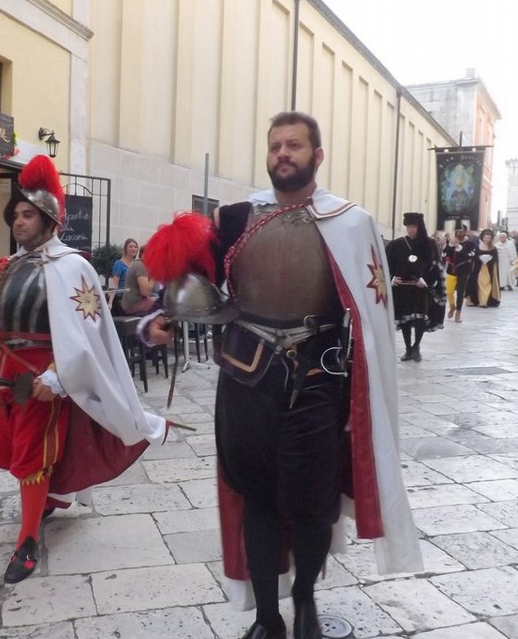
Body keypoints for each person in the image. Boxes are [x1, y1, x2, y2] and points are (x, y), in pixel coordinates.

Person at [143, 111, 421, 639]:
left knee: (313, 505)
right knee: (257, 495)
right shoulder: (237, 219)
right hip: (247, 379)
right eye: (274, 146)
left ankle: (307, 601)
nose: (281, 155)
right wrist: (160, 320)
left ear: (317, 156)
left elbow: (370, 312)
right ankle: (269, 618)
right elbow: (191, 286)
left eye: (293, 146)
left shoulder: (350, 222)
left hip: (318, 379)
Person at [0, 155, 168, 584]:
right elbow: (0, 312)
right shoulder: (10, 267)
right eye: (16, 215)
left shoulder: (73, 267)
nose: (18, 222)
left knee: (29, 458)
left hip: (41, 380)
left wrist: (60, 377)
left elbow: (87, 331)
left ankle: (26, 542)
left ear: (50, 221)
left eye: (28, 215)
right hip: (1, 373)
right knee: (4, 452)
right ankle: (48, 499)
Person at [386, 212, 445, 362]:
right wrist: (392, 278)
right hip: (403, 289)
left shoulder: (429, 244)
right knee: (405, 320)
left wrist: (425, 281)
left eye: (413, 227)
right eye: (408, 227)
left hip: (421, 289)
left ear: (419, 227)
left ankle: (416, 347)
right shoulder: (396, 244)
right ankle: (407, 349)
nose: (411, 230)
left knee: (420, 318)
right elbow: (387, 264)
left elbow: (436, 266)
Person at [443, 228, 475, 322]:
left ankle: (458, 313)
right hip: (451, 270)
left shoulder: (470, 244)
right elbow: (444, 254)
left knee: (460, 292)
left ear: (465, 232)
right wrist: (449, 245)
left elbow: (470, 255)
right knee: (449, 292)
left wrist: (458, 247)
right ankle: (452, 306)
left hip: (464, 271)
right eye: (457, 232)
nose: (459, 234)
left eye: (461, 232)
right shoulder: (451, 242)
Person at [466, 229, 501, 308]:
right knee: (480, 283)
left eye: (488, 237)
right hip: (479, 269)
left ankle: (485, 301)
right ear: (483, 237)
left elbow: (496, 259)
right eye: (485, 237)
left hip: (489, 269)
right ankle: (481, 301)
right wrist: (480, 259)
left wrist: (489, 259)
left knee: (488, 284)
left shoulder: (493, 247)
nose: (487, 239)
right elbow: (474, 257)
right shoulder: (478, 247)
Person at [120, 245, 159, 315]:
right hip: (134, 304)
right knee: (164, 304)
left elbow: (156, 289)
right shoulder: (140, 265)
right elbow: (145, 292)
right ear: (143, 255)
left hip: (139, 302)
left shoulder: (146, 267)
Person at [107, 238, 137, 313]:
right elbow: (115, 284)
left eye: (135, 247)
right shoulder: (119, 264)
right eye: (131, 247)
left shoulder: (136, 265)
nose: (133, 249)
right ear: (125, 249)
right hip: (121, 297)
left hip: (133, 297)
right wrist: (110, 302)